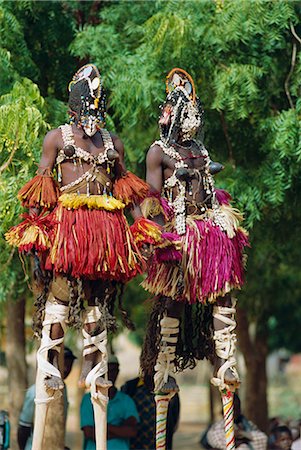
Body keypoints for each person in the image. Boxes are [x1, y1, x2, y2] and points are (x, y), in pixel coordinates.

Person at [6, 64, 159, 449]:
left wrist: (141, 229)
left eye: (98, 103)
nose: (94, 112)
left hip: (104, 246)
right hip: (69, 241)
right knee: (56, 315)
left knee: (96, 320)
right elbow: (42, 184)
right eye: (87, 103)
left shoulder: (113, 143)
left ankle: (97, 386)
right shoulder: (57, 139)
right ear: (74, 105)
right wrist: (35, 229)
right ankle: (46, 401)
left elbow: (126, 192)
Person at [140, 68, 249, 447]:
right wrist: (150, 231)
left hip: (209, 235)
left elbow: (209, 188)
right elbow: (150, 200)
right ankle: (165, 368)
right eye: (187, 112)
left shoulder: (201, 150)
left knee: (225, 294)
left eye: (195, 114)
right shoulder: (159, 151)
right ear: (172, 112)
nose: (193, 120)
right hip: (181, 238)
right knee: (173, 302)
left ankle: (227, 362)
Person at [17, 346, 76, 450]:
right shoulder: (36, 390)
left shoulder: (64, 388)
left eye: (69, 364)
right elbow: (23, 427)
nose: (66, 368)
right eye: (64, 364)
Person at [80, 355, 139, 450]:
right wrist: (119, 429)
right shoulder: (88, 399)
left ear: (118, 372)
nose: (110, 374)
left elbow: (131, 431)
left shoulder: (126, 400)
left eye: (113, 370)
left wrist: (102, 427)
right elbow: (89, 433)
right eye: (107, 371)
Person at [121, 372, 180, 449]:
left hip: (160, 443)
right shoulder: (130, 387)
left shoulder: (168, 384)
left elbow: (174, 417)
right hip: (134, 444)